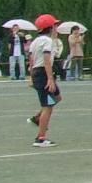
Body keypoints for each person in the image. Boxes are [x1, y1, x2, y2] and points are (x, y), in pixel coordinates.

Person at [27, 14, 62, 146]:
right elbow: (46, 60)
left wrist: (31, 76)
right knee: (48, 106)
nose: (56, 28)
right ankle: (40, 138)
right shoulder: (47, 41)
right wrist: (50, 79)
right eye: (55, 25)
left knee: (57, 98)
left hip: (38, 72)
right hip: (43, 73)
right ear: (50, 27)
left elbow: (31, 60)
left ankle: (37, 119)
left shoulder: (36, 41)